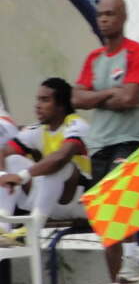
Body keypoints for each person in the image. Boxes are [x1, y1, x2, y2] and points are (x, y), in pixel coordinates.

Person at [72, 0, 139, 283]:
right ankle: (116, 280)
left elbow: (130, 98)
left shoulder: (138, 53)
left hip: (131, 137)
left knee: (120, 192)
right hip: (100, 142)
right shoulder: (93, 59)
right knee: (106, 214)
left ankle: (133, 260)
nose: (104, 19)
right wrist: (109, 94)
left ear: (123, 17)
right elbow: (76, 98)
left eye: (110, 14)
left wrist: (96, 97)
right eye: (100, 15)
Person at [0, 78, 91, 247]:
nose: (37, 105)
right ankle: (3, 226)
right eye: (38, 99)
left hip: (77, 204)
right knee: (11, 161)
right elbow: (3, 152)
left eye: (45, 100)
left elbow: (60, 158)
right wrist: (4, 175)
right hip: (47, 201)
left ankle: (32, 230)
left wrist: (22, 176)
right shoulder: (39, 129)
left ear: (61, 105)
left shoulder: (77, 125)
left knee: (58, 166)